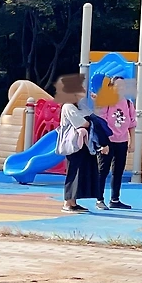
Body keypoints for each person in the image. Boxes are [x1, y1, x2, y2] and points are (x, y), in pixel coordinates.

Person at [56, 75, 105, 214]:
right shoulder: (68, 106)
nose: (84, 89)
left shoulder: (80, 106)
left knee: (81, 172)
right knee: (73, 172)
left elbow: (94, 117)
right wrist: (89, 121)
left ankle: (73, 202)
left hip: (83, 144)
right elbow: (84, 123)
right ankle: (67, 202)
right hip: (73, 145)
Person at [97, 79, 136, 209]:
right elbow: (100, 124)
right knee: (103, 171)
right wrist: (103, 143)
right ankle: (99, 199)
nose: (120, 88)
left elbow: (132, 124)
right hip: (108, 141)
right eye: (117, 85)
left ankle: (115, 199)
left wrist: (132, 142)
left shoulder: (129, 103)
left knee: (118, 171)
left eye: (123, 85)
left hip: (122, 141)